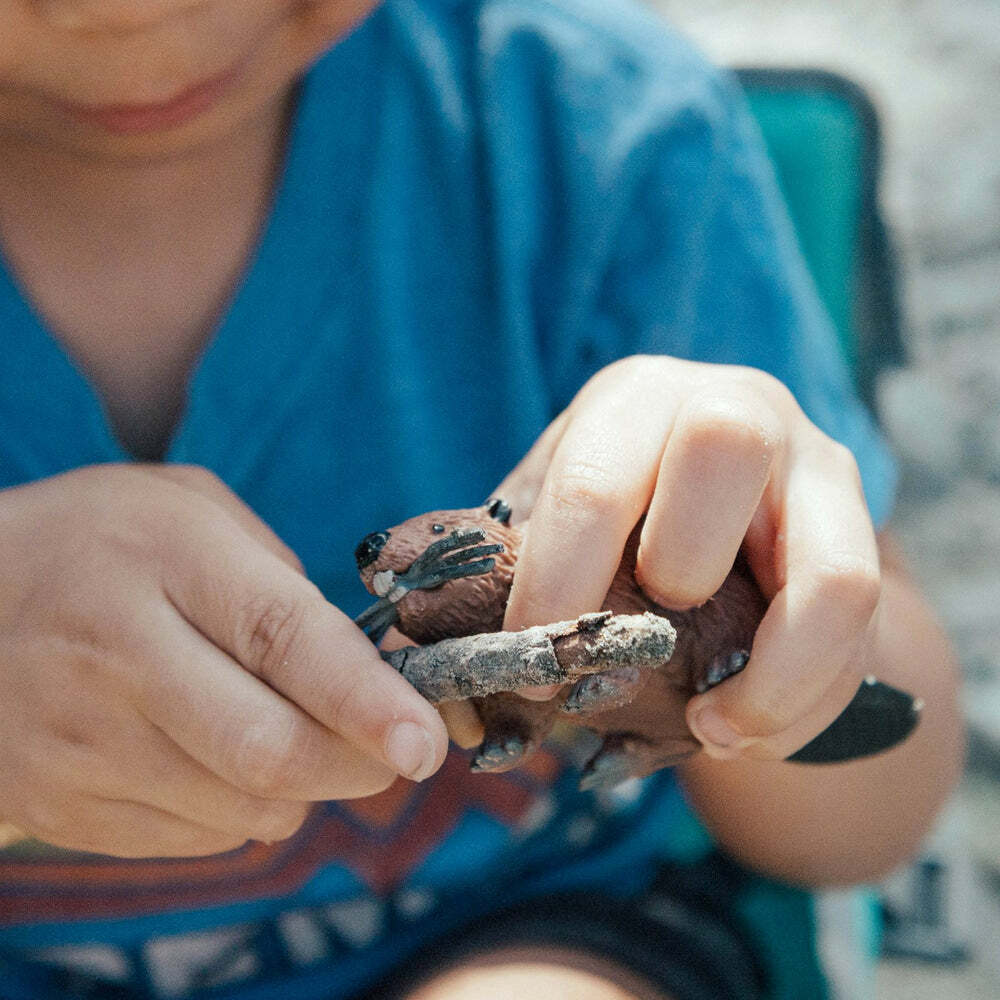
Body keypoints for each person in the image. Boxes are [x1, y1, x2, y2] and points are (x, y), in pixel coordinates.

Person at [0, 1, 962, 998]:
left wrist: (758, 601)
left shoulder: (598, 135)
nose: (134, 12)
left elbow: (869, 811)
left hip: (527, 927)